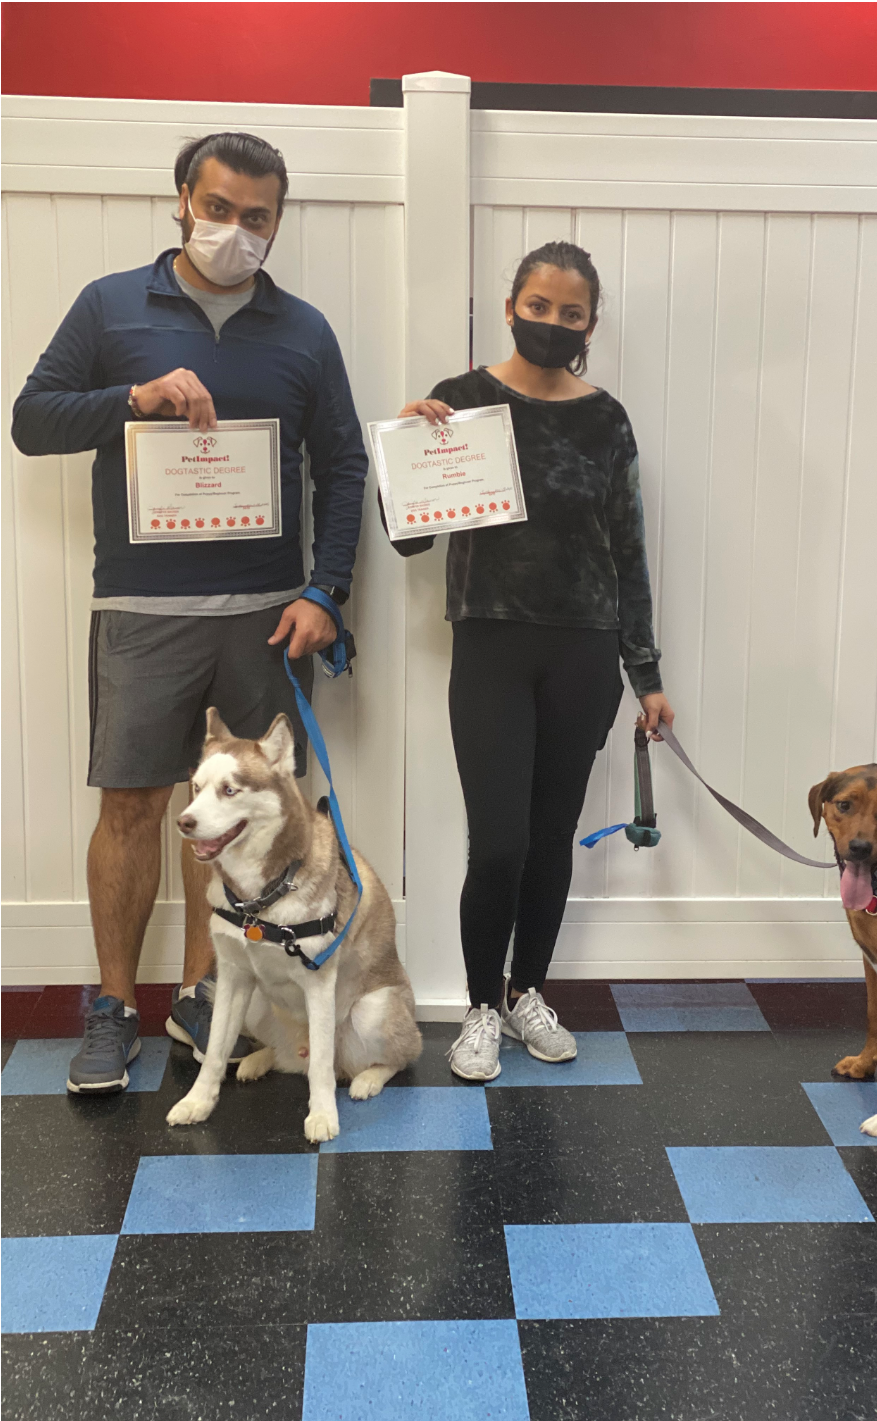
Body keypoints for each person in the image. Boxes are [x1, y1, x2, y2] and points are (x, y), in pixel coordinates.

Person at [11, 132, 367, 1094]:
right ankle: (113, 1008)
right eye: (218, 208)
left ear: (277, 223)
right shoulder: (110, 305)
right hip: (142, 610)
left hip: (268, 618)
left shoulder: (305, 331)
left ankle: (205, 1001)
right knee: (133, 806)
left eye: (257, 217)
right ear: (181, 200)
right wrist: (132, 397)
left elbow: (343, 468)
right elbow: (31, 420)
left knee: (239, 819)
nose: (235, 230)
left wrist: (326, 591)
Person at [386, 240, 674, 1081]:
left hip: (584, 649)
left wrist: (646, 674)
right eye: (538, 306)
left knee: (551, 840)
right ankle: (480, 1004)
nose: (552, 322)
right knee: (499, 844)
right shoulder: (461, 400)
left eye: (570, 312)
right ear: (510, 307)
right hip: (491, 644)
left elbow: (628, 548)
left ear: (591, 324)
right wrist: (406, 452)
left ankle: (527, 993)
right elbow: (409, 541)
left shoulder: (606, 419)